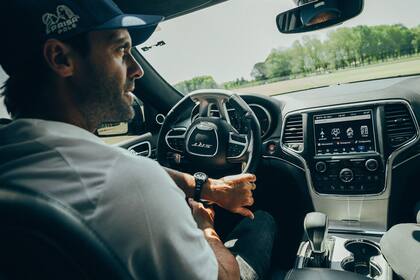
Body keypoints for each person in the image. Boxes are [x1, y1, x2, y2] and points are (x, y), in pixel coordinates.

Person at [0, 0, 276, 279]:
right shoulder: (129, 182)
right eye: (121, 50)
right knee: (262, 222)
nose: (137, 70)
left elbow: (135, 171)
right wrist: (205, 229)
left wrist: (207, 187)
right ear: (61, 59)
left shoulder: (14, 159)